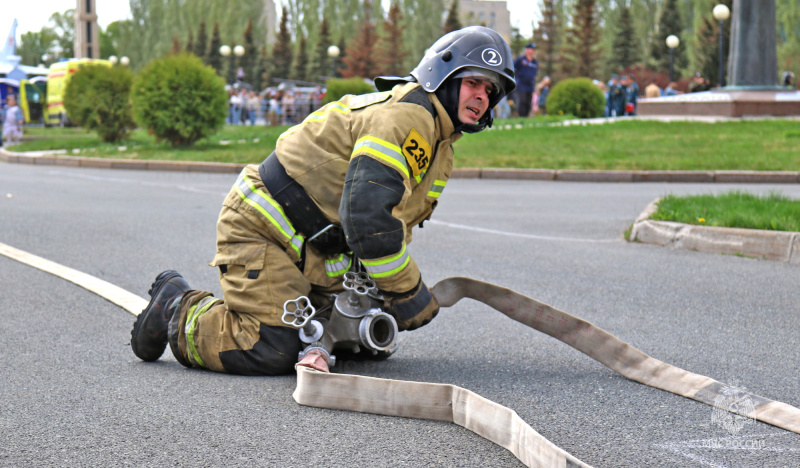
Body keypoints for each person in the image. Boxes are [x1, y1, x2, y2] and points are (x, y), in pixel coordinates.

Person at [130, 26, 517, 376]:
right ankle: (178, 308)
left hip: (315, 245)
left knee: (356, 343)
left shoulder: (440, 144)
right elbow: (368, 220)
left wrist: (378, 293)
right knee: (270, 347)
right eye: (473, 83)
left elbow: (396, 221)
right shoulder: (405, 120)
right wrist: (406, 290)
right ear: (443, 76)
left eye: (490, 91)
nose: (482, 97)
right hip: (263, 228)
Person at [513, 42, 537, 118]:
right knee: (522, 102)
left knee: (528, 103)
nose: (532, 51)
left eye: (533, 49)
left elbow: (534, 74)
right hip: (521, 85)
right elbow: (513, 69)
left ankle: (525, 118)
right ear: (526, 50)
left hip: (530, 86)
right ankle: (521, 117)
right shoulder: (520, 60)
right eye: (531, 49)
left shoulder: (534, 62)